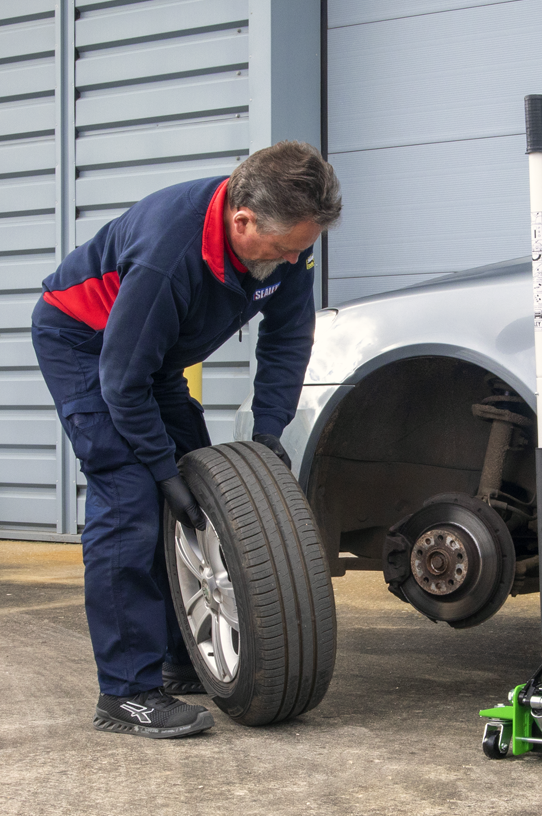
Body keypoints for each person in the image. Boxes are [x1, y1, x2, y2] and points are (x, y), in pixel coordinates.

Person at [31, 142, 342, 738]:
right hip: (84, 343)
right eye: (281, 249)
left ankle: (179, 658)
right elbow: (121, 383)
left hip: (154, 357)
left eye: (301, 249)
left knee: (194, 490)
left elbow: (286, 340)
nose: (290, 260)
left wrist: (269, 431)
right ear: (241, 221)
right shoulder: (169, 253)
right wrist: (159, 470)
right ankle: (126, 694)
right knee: (130, 496)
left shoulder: (288, 245)